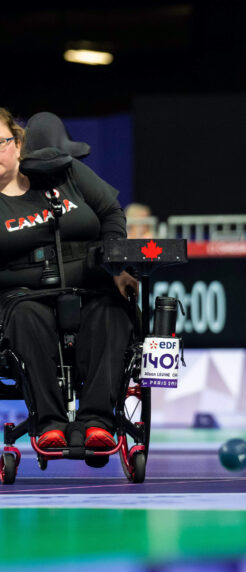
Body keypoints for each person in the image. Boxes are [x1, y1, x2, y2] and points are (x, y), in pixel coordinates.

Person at [0, 107, 138, 450]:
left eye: (0, 143)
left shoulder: (65, 171)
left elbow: (110, 213)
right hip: (22, 295)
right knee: (26, 317)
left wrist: (116, 266)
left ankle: (98, 421)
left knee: (111, 309)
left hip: (91, 281)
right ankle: (49, 423)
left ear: (18, 143)